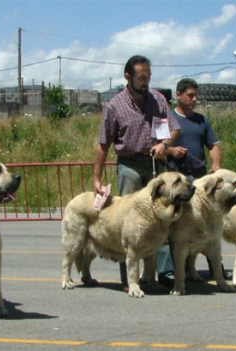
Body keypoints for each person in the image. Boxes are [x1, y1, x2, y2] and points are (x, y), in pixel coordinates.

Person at [93, 55, 180, 291]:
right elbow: (103, 143)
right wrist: (97, 178)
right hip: (129, 166)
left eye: (148, 77)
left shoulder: (158, 99)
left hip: (156, 165)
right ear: (128, 76)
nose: (146, 82)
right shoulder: (115, 106)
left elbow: (173, 129)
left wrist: (164, 145)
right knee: (128, 222)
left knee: (160, 219)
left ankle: (161, 273)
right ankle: (129, 279)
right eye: (142, 77)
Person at [157, 78, 232, 281]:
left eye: (196, 96)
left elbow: (213, 145)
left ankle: (217, 268)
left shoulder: (202, 120)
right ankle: (168, 271)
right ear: (178, 95)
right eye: (190, 95)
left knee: (208, 224)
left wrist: (216, 164)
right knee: (171, 224)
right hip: (176, 183)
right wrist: (171, 150)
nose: (194, 99)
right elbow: (157, 148)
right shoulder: (168, 120)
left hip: (199, 180)